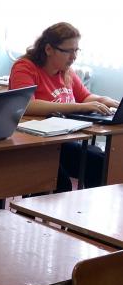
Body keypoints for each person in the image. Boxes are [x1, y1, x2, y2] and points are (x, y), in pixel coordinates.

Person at [9, 21, 118, 190]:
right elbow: (27, 105)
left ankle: (88, 205)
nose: (74, 57)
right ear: (48, 49)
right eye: (68, 51)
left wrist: (105, 100)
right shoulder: (25, 67)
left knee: (101, 164)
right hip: (34, 144)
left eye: (76, 50)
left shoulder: (66, 71)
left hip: (62, 140)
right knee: (61, 185)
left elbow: (85, 97)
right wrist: (79, 107)